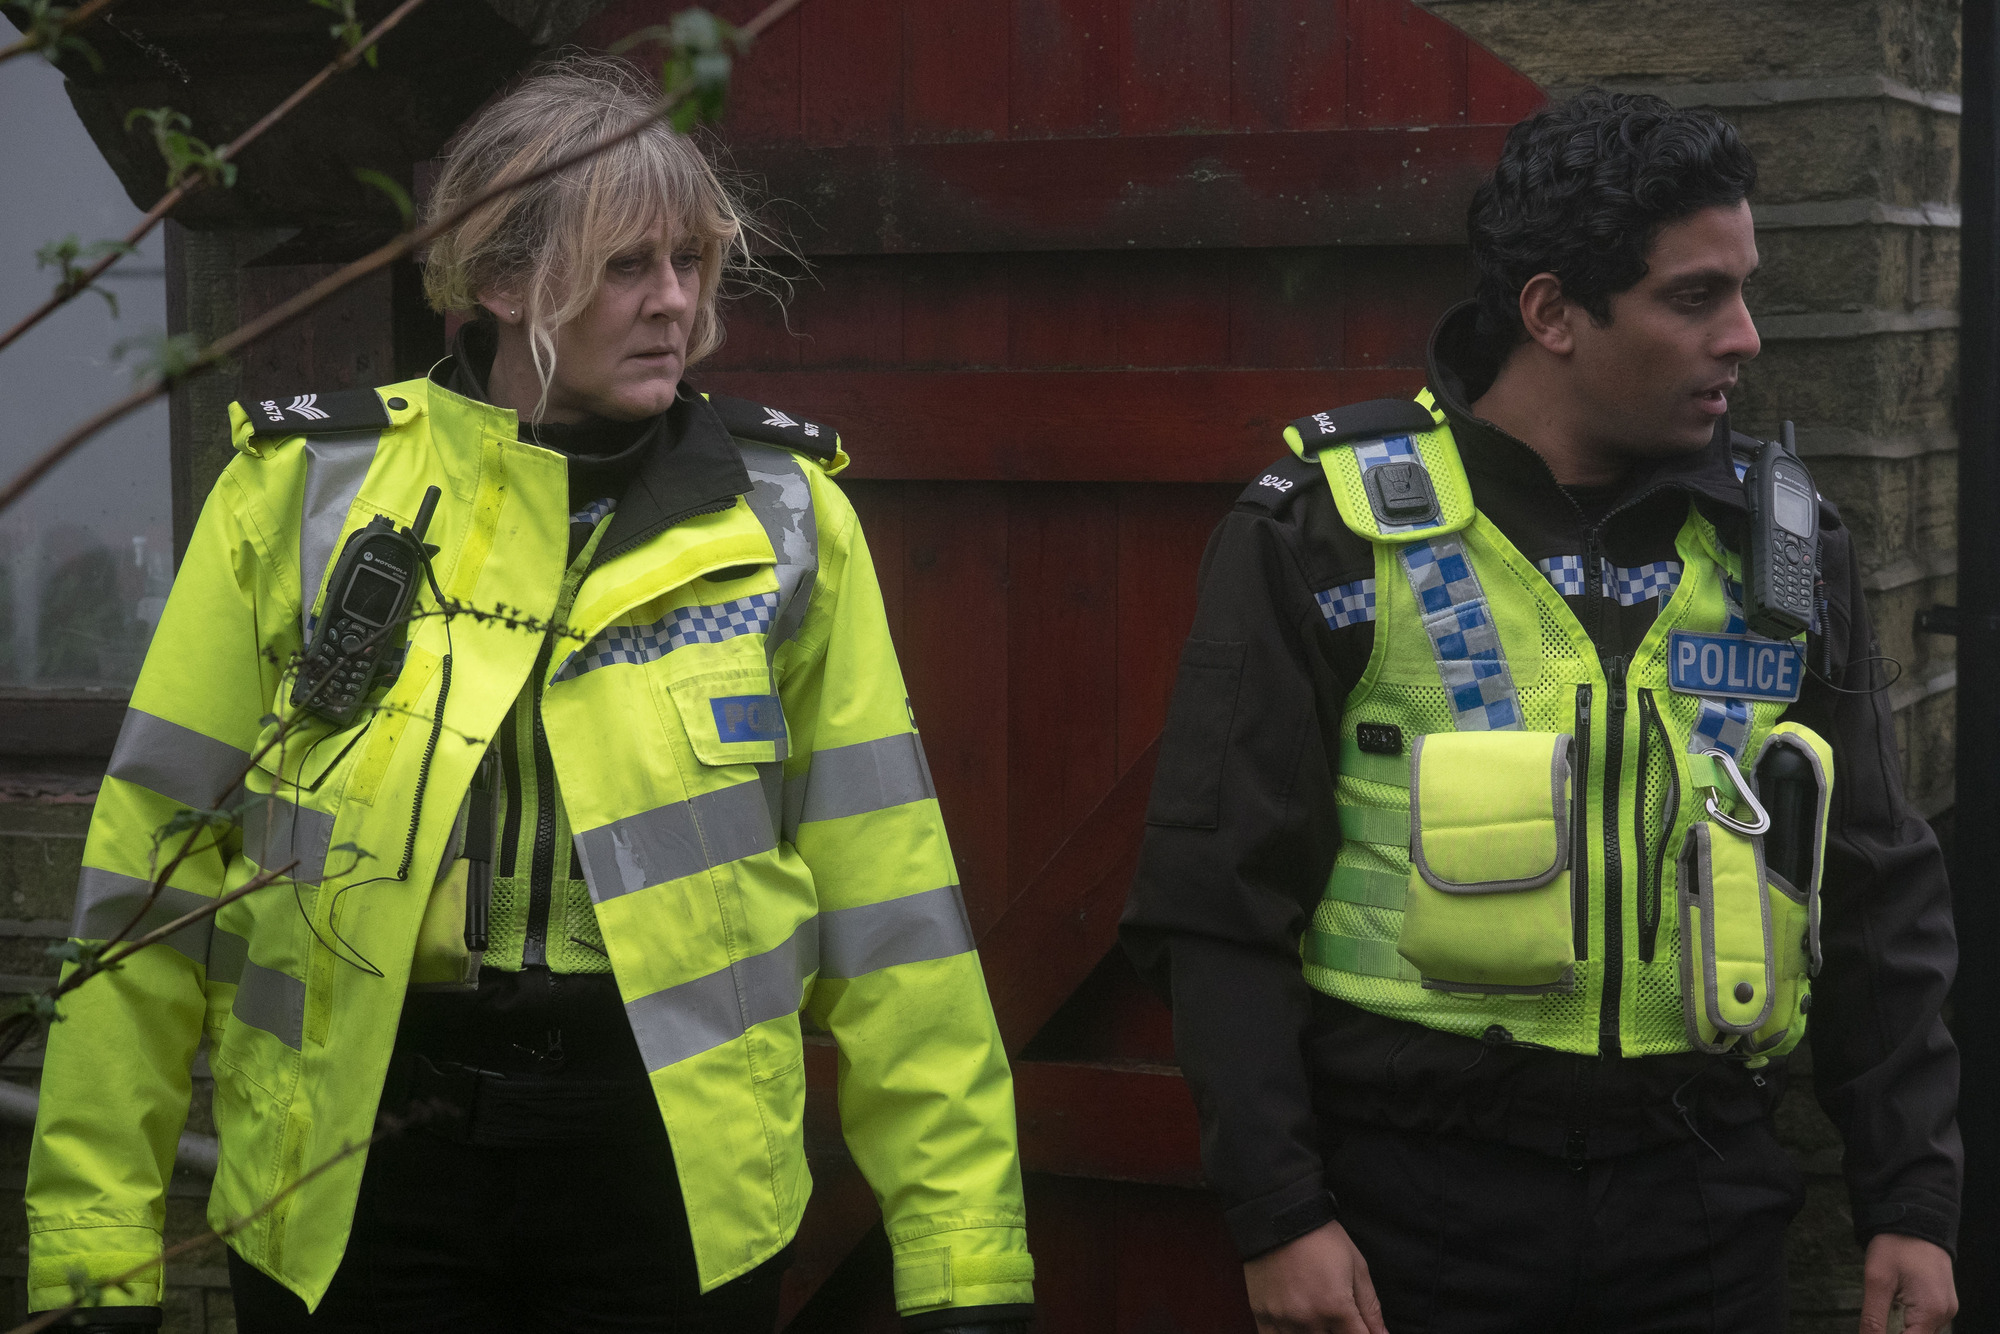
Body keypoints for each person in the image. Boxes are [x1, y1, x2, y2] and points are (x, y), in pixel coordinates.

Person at [31, 56, 1033, 1334]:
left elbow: (891, 901)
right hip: (353, 1174)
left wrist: (962, 1248)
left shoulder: (783, 520)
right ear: (500, 281)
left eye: (691, 261)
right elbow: (150, 875)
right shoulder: (301, 497)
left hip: (674, 1181)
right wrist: (96, 1239)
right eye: (626, 266)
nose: (675, 301)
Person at [1122, 89, 1959, 1334]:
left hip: (1703, 1207)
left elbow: (1877, 891)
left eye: (1744, 290)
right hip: (1411, 1208)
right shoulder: (1323, 530)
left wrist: (1911, 1198)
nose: (1741, 337)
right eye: (1693, 297)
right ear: (1551, 312)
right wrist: (1277, 1210)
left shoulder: (1783, 545)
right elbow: (1214, 900)